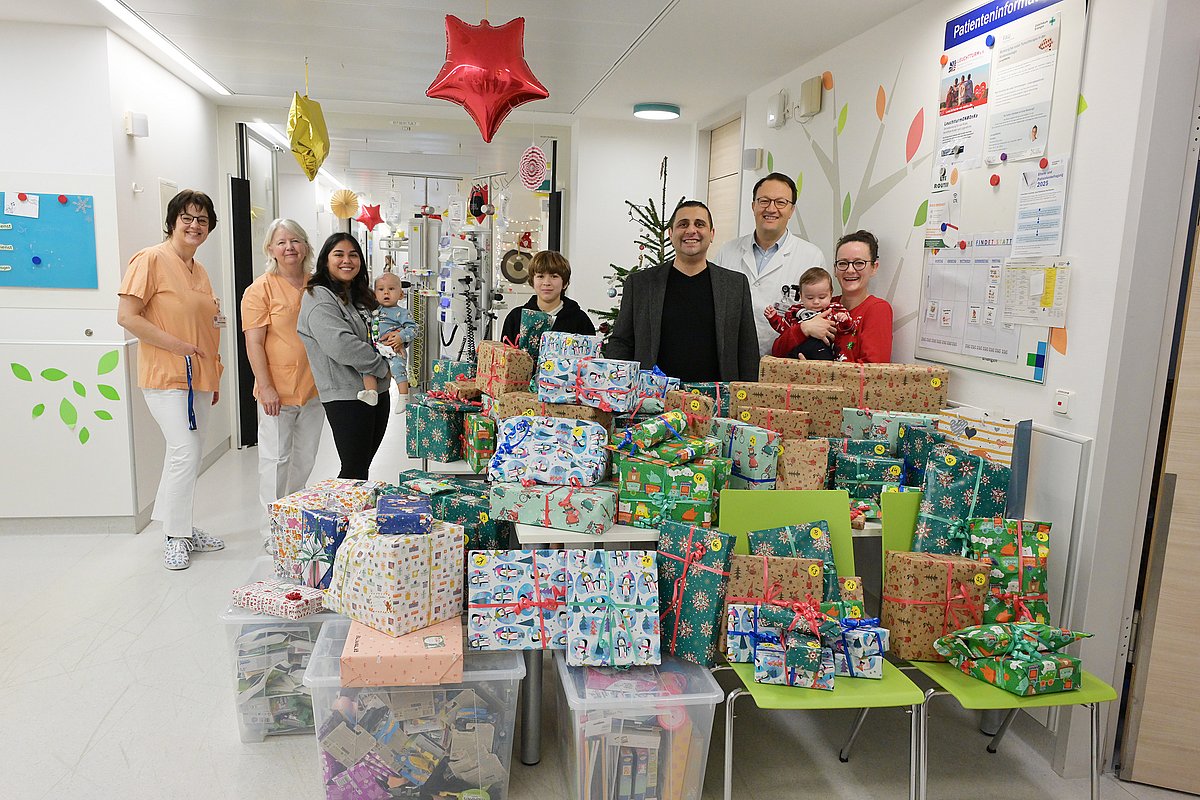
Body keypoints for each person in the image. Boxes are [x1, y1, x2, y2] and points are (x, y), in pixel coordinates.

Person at [116, 189, 225, 571]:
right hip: (166, 375)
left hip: (199, 376)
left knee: (185, 454)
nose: (195, 225)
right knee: (185, 452)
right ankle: (176, 536)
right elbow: (127, 316)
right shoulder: (150, 259)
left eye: (202, 220)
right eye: (188, 218)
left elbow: (208, 324)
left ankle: (180, 526)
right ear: (173, 221)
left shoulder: (199, 270)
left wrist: (213, 374)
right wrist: (176, 346)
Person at [606, 200, 757, 382]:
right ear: (671, 233)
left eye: (699, 224)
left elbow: (748, 351)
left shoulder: (735, 285)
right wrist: (618, 386)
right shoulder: (640, 284)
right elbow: (621, 343)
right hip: (654, 395)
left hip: (716, 396)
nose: (691, 230)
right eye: (683, 224)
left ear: (712, 234)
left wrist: (747, 395)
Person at [241, 218, 323, 547]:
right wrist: (266, 387)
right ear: (270, 249)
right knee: (275, 460)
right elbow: (254, 343)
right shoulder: (259, 289)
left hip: (314, 387)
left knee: (304, 458)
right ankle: (272, 531)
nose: (289, 247)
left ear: (305, 246)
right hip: (276, 390)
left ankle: (294, 520)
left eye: (295, 240)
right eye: (281, 242)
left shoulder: (318, 285)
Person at [296, 233, 392, 480]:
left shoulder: (360, 295)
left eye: (353, 255)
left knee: (361, 468)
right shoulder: (318, 296)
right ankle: (341, 506)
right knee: (353, 469)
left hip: (379, 391)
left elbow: (383, 328)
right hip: (347, 396)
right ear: (325, 260)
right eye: (338, 254)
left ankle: (356, 505)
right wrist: (382, 366)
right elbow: (341, 345)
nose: (347, 260)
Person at [714, 172, 827, 356]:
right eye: (764, 201)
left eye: (781, 202)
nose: (771, 209)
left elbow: (818, 315)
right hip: (732, 358)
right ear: (753, 206)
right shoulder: (727, 252)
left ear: (791, 210)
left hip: (785, 361)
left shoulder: (811, 256)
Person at [771, 229, 893, 363]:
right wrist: (803, 329)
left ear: (874, 267)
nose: (850, 270)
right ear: (835, 269)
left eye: (859, 263)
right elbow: (777, 352)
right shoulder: (822, 305)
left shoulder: (877, 309)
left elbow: (874, 370)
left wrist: (816, 371)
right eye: (843, 263)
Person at [499, 250, 596, 342]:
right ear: (532, 281)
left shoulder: (580, 320)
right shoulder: (516, 317)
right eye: (540, 276)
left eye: (554, 276)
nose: (546, 282)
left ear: (565, 283)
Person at [764, 266, 854, 361]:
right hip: (797, 352)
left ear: (830, 294)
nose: (816, 302)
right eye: (810, 298)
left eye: (822, 297)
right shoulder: (794, 311)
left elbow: (847, 330)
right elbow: (784, 329)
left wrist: (844, 320)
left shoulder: (835, 310)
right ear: (801, 296)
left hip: (823, 351)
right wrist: (773, 318)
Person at [365, 271, 417, 412]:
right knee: (367, 369)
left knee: (398, 369)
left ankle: (404, 397)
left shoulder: (402, 313)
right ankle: (371, 393)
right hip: (376, 349)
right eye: (381, 289)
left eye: (391, 289)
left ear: (401, 294)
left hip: (394, 349)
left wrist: (401, 337)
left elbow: (413, 329)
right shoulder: (374, 311)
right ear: (375, 294)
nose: (386, 292)